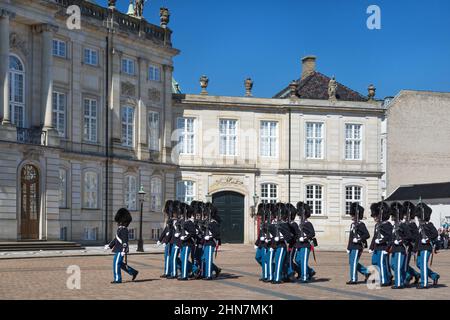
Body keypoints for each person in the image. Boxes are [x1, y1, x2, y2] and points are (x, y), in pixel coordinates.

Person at [105, 208, 139, 284]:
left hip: (121, 250)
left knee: (116, 263)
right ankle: (133, 272)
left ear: (122, 221)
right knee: (119, 263)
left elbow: (124, 241)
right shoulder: (120, 229)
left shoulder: (124, 230)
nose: (118, 223)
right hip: (118, 249)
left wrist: (124, 250)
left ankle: (117, 279)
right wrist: (109, 246)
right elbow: (116, 239)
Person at [415, 202, 440, 289]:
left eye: (419, 217)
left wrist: (428, 239)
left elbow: (435, 234)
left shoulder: (429, 225)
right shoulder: (420, 226)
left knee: (422, 264)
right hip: (420, 248)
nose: (418, 218)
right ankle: (434, 276)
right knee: (419, 264)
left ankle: (424, 283)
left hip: (426, 247)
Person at [389, 202, 412, 289]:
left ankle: (399, 283)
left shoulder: (403, 225)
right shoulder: (395, 226)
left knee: (398, 266)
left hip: (401, 248)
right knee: (393, 265)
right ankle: (403, 279)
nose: (392, 217)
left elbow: (409, 236)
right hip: (395, 248)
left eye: (393, 216)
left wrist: (401, 241)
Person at [369, 201, 393, 287]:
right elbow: (375, 237)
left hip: (383, 247)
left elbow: (390, 237)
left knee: (382, 264)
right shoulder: (377, 225)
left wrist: (382, 241)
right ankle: (380, 277)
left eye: (376, 215)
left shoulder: (387, 225)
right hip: (376, 247)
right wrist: (371, 247)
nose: (374, 217)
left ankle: (385, 280)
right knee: (374, 262)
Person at [346, 202, 370, 285]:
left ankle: (353, 279)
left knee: (353, 262)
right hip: (352, 246)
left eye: (353, 215)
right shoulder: (352, 224)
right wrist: (348, 248)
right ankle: (367, 272)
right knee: (352, 262)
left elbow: (367, 235)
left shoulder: (361, 224)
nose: (351, 216)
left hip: (358, 246)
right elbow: (350, 237)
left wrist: (359, 239)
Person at [293, 202, 317, 283]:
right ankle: (309, 271)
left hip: (305, 245)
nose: (300, 217)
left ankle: (304, 277)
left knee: (303, 261)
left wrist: (305, 238)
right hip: (299, 245)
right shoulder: (300, 224)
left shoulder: (308, 223)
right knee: (297, 260)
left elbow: (312, 234)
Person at [403, 201, 420, 286]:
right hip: (402, 246)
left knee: (405, 264)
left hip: (408, 247)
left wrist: (414, 249)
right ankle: (416, 274)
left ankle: (407, 277)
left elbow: (416, 237)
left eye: (406, 215)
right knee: (400, 264)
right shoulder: (402, 224)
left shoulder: (412, 224)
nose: (405, 216)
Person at [178, 203, 196, 281]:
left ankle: (184, 275)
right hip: (183, 244)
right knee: (182, 258)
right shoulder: (183, 222)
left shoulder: (189, 223)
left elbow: (193, 233)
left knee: (184, 259)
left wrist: (185, 238)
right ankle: (194, 269)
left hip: (188, 243)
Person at [158, 200, 174, 278]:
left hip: (171, 240)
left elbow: (170, 231)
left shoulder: (172, 219)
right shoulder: (169, 218)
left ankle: (169, 272)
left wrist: (165, 240)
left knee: (170, 256)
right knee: (167, 256)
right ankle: (167, 271)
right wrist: (160, 239)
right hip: (168, 240)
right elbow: (166, 230)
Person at [255, 203, 269, 281]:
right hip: (261, 243)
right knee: (258, 257)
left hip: (266, 244)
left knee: (264, 259)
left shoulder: (268, 222)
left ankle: (266, 275)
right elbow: (260, 234)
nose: (259, 217)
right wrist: (256, 243)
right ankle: (271, 268)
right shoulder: (262, 222)